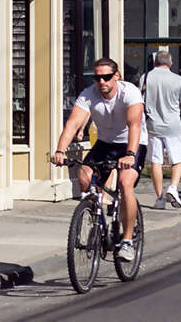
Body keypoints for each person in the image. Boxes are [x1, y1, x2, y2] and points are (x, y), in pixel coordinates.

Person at [51, 58, 145, 263]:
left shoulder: (130, 93)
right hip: (105, 143)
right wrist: (60, 150)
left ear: (116, 76)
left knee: (125, 183)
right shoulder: (89, 95)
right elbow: (72, 124)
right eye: (97, 77)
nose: (101, 81)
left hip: (131, 143)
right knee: (84, 176)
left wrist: (130, 154)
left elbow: (135, 125)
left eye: (106, 77)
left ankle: (127, 241)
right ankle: (96, 217)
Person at [140, 50, 181, 209]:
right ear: (170, 64)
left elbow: (140, 103)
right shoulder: (178, 80)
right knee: (177, 160)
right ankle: (173, 187)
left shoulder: (145, 78)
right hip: (173, 126)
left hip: (153, 126)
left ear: (155, 62)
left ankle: (159, 199)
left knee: (156, 162)